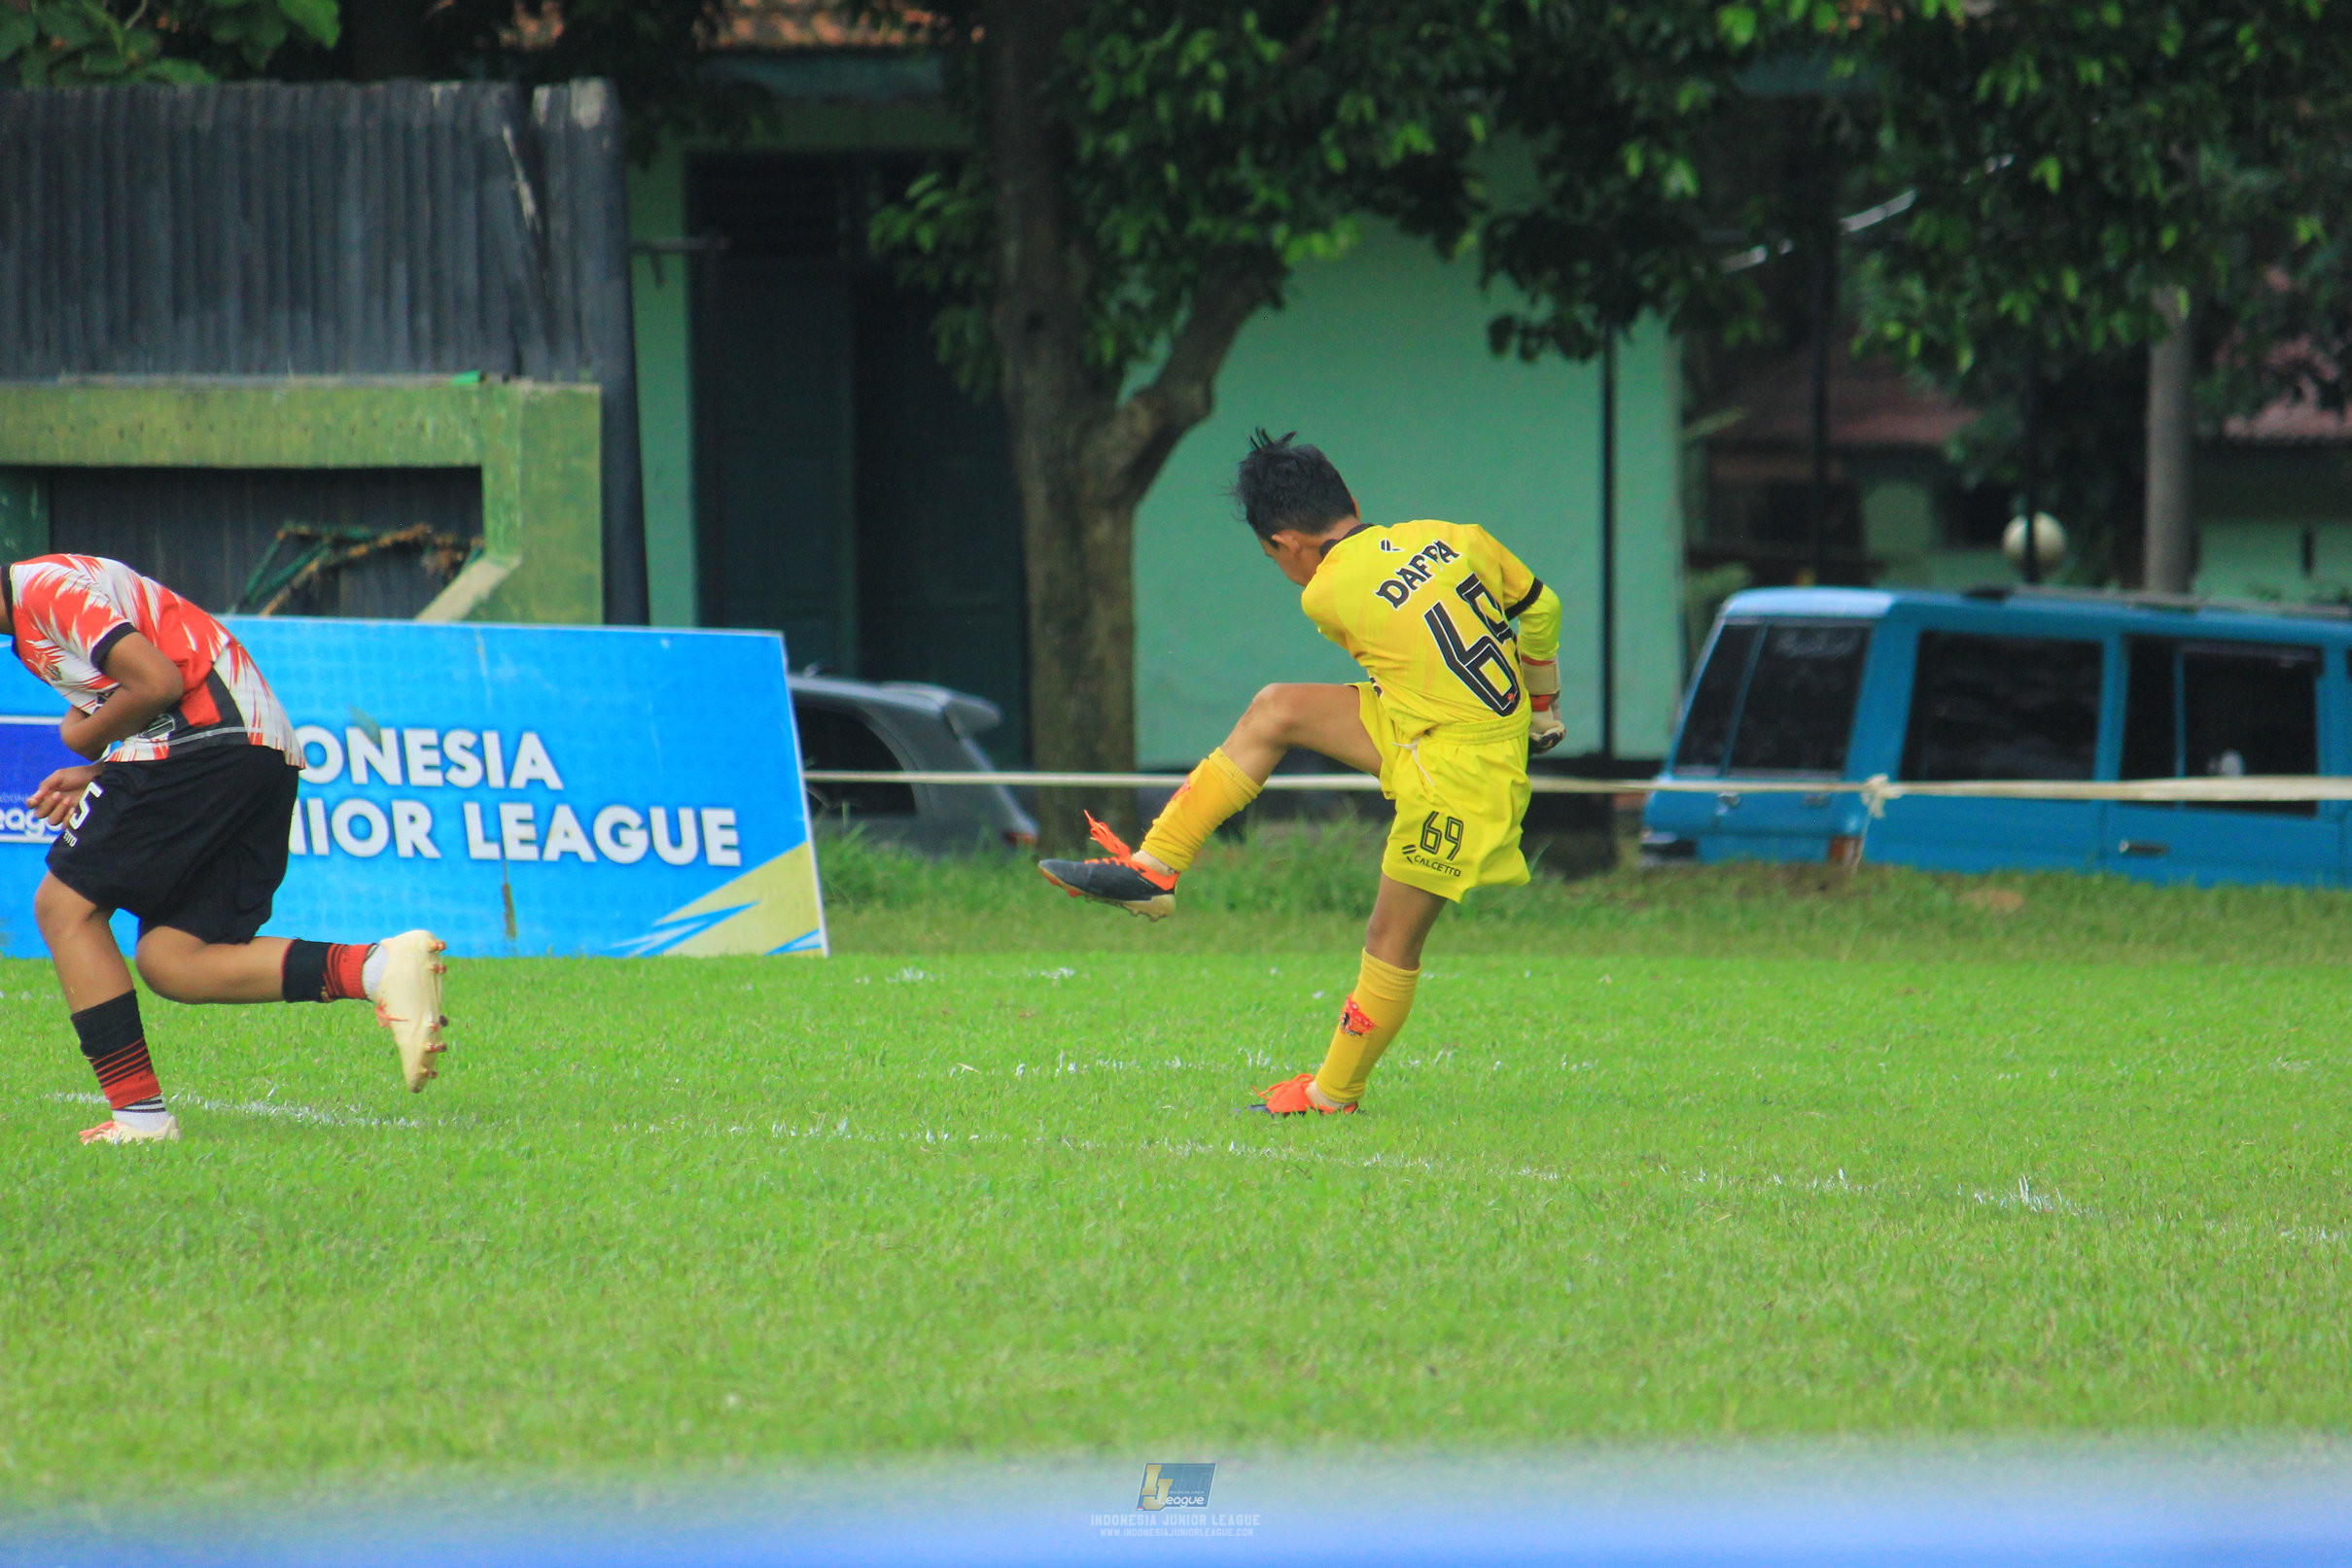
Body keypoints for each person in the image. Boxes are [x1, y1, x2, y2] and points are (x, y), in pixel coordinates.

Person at [1039, 432, 1563, 1114]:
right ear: (1350, 499)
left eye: (1270, 557)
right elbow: (1541, 609)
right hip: (1444, 726)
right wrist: (1543, 705)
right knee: (1278, 708)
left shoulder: (1326, 594)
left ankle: (1332, 1092)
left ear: (1286, 543)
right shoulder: (1448, 534)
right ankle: (1153, 867)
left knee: (1391, 937)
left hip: (1459, 769)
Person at [9, 553, 449, 1145]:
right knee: (175, 960)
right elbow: (149, 687)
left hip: (208, 738)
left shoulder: (41, 590)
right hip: (252, 749)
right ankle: (377, 967)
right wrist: (103, 769)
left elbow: (159, 682)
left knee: (64, 908)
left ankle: (140, 1120)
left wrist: (80, 741)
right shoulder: (33, 615)